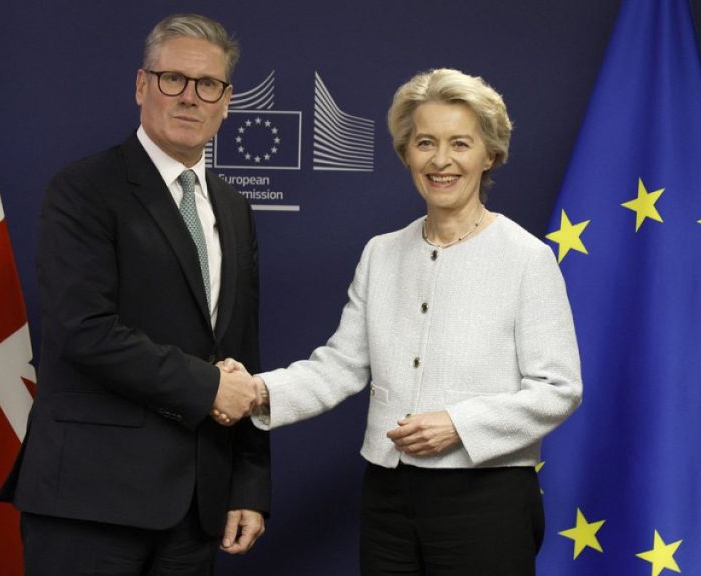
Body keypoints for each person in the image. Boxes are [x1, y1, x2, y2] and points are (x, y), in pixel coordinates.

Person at [222, 68, 581, 575]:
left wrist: (459, 424)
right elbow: (341, 366)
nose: (441, 160)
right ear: (405, 153)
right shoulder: (382, 253)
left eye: (460, 143)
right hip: (387, 493)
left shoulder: (527, 258)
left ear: (490, 154)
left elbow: (558, 389)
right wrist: (257, 391)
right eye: (425, 142)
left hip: (486, 498)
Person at [0, 13, 269, 575]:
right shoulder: (84, 190)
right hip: (91, 501)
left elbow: (240, 353)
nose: (190, 98)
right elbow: (84, 331)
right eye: (174, 79)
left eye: (208, 85)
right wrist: (209, 387)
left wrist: (248, 482)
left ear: (227, 100)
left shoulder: (235, 210)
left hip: (197, 507)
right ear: (142, 85)